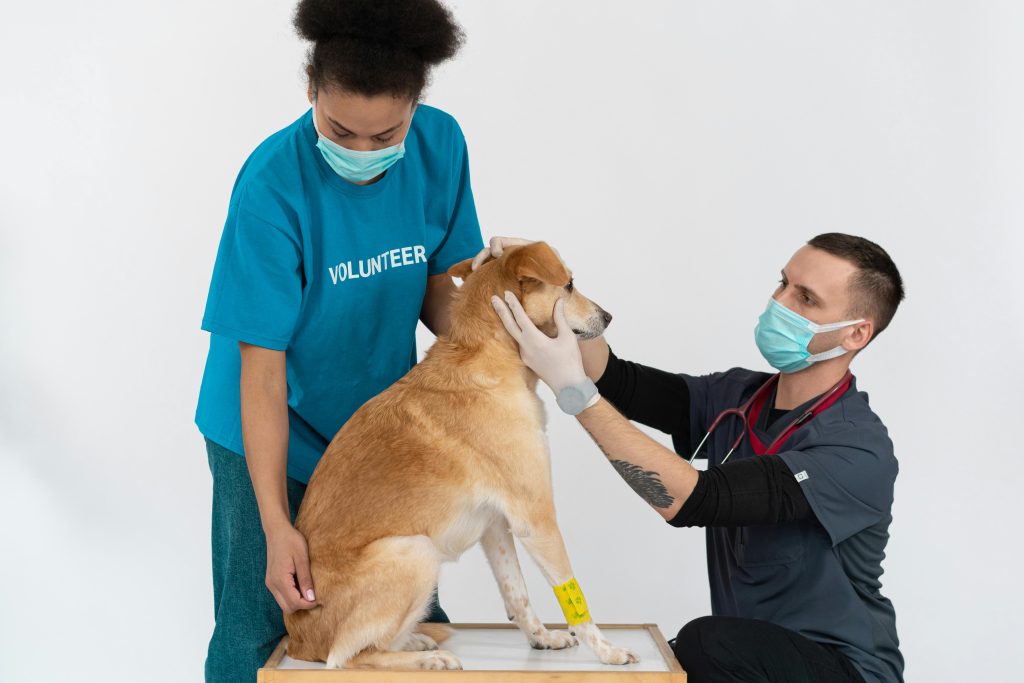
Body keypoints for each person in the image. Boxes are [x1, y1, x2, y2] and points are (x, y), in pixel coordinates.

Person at [194, 1, 484, 680]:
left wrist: (498, 334)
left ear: (417, 104)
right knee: (261, 619)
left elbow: (444, 293)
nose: (362, 152)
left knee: (398, 615)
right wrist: (275, 523)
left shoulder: (442, 146)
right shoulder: (272, 188)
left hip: (376, 428)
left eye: (385, 134)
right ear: (310, 92)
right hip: (268, 422)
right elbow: (260, 375)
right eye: (340, 130)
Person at [485, 233, 905, 683]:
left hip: (845, 671)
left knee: (708, 646)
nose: (779, 302)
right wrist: (556, 293)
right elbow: (618, 380)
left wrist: (576, 394)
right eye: (782, 283)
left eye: (805, 298)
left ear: (856, 332)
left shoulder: (856, 449)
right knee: (663, 664)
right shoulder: (740, 396)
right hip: (751, 660)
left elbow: (696, 500)